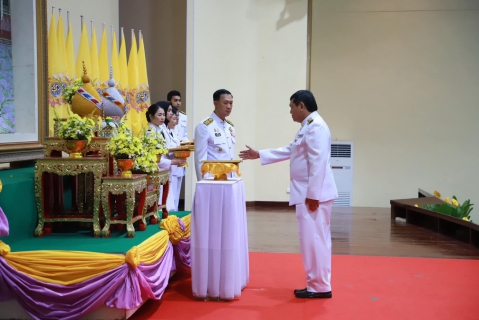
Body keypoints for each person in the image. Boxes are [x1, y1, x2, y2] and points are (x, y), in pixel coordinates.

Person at [239, 90, 337, 299]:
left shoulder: (316, 127)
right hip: (310, 193)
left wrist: (313, 195)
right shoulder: (309, 126)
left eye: (291, 106)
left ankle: (319, 286)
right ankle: (316, 283)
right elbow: (292, 150)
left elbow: (318, 163)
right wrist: (261, 154)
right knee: (313, 240)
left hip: (313, 195)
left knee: (315, 240)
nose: (290, 111)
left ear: (301, 106)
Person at [145, 103, 185, 209]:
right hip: (157, 169)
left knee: (168, 201)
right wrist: (171, 162)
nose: (162, 117)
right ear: (151, 116)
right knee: (161, 202)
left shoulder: (160, 130)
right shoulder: (150, 132)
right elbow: (153, 156)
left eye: (163, 114)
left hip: (165, 169)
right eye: (159, 115)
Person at [194, 89, 236, 180]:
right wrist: (203, 183)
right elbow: (200, 160)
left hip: (230, 177)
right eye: (225, 103)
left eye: (231, 103)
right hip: (213, 179)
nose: (229, 106)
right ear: (215, 103)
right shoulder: (204, 126)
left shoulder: (230, 127)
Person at [164, 106, 185, 212]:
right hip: (168, 166)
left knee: (175, 197)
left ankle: (174, 217)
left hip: (177, 165)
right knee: (169, 198)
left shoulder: (172, 131)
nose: (175, 118)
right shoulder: (163, 131)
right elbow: (166, 150)